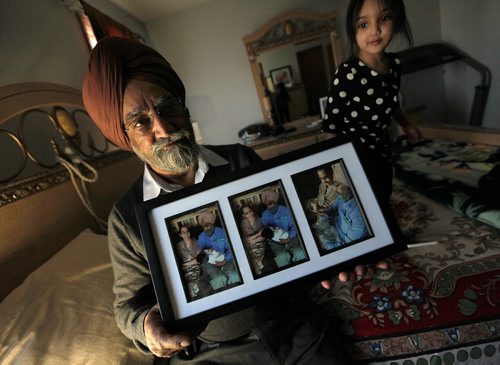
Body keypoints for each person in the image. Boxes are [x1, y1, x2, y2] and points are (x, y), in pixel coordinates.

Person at [82, 36, 386, 363]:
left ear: (183, 107)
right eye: (141, 121)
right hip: (215, 352)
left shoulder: (241, 159)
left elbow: (296, 227)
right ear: (125, 138)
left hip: (293, 323)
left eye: (167, 107)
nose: (163, 127)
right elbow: (127, 305)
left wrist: (331, 253)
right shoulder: (127, 217)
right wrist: (146, 326)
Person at [321, 0, 423, 204]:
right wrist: (334, 164)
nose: (375, 30)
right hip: (354, 152)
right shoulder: (347, 73)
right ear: (353, 30)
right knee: (366, 199)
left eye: (383, 19)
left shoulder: (394, 64)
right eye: (364, 24)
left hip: (382, 145)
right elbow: (331, 125)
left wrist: (407, 124)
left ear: (397, 20)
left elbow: (391, 102)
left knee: (384, 189)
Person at [260, 188, 306, 267]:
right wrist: (269, 230)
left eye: (271, 203)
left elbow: (294, 226)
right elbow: (266, 231)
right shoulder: (265, 215)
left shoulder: (286, 210)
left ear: (275, 201)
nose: (269, 207)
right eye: (267, 204)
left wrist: (289, 238)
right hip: (275, 241)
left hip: (290, 237)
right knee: (282, 257)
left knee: (299, 253)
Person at [196, 211, 240, 289]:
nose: (206, 229)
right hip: (210, 263)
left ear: (212, 223)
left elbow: (231, 249)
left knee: (234, 275)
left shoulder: (222, 232)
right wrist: (208, 258)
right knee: (218, 278)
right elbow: (202, 255)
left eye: (207, 225)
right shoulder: (201, 237)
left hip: (226, 259)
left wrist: (225, 260)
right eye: (203, 227)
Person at [176, 225, 203, 299]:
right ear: (180, 235)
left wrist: (184, 264)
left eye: (187, 232)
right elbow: (177, 260)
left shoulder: (196, 242)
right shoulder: (178, 246)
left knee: (192, 283)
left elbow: (197, 260)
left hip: (195, 267)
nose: (186, 234)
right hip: (184, 269)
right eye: (183, 232)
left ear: (189, 233)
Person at [239, 205, 267, 275]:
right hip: (250, 248)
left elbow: (264, 236)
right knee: (252, 261)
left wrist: (251, 240)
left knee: (255, 262)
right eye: (247, 213)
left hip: (261, 245)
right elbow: (245, 240)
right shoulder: (243, 224)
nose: (250, 214)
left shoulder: (260, 219)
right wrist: (257, 234)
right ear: (244, 215)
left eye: (250, 211)